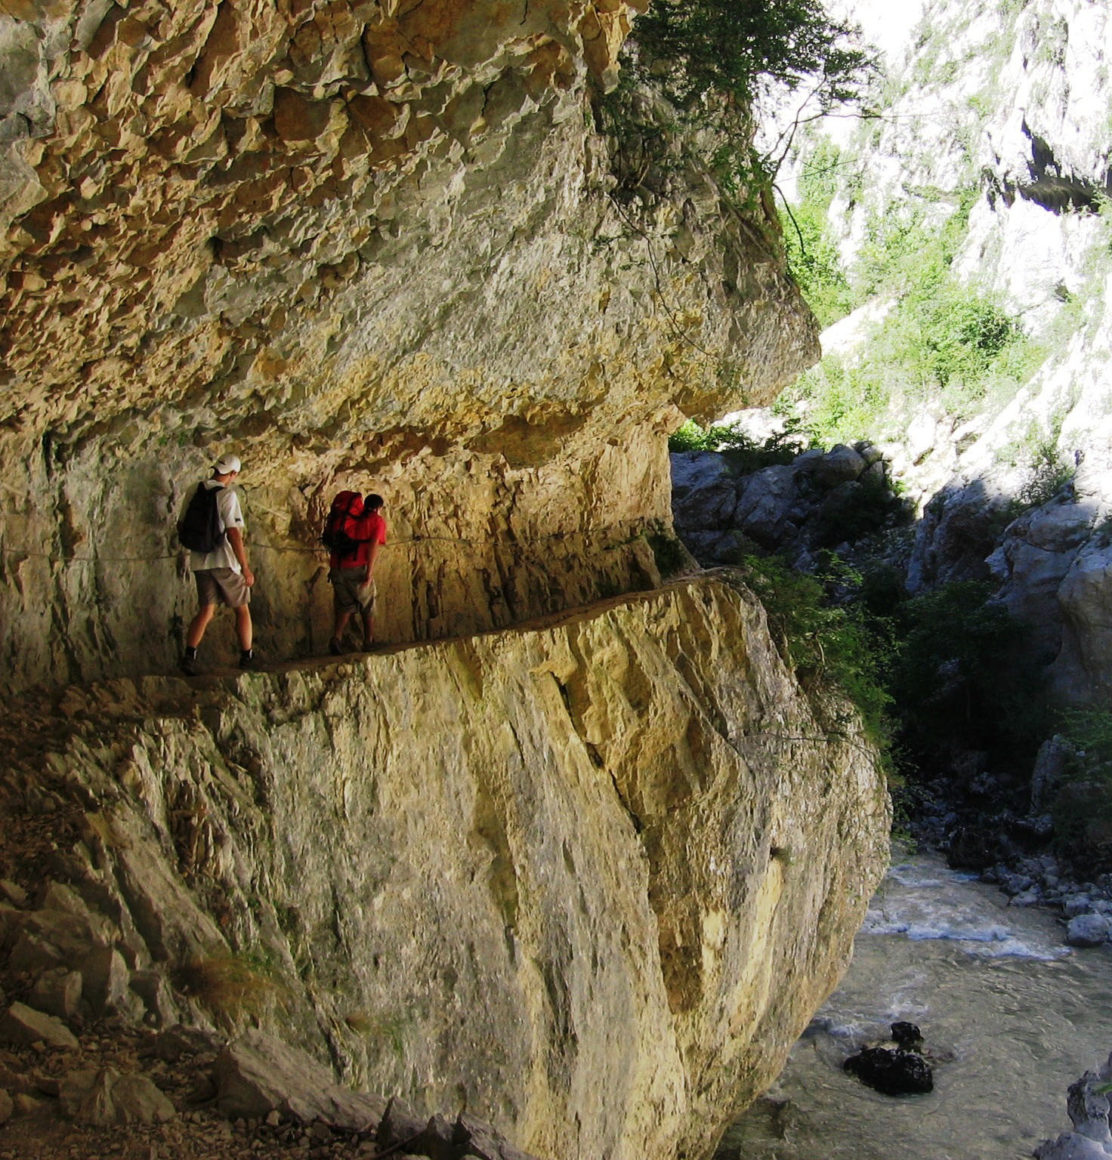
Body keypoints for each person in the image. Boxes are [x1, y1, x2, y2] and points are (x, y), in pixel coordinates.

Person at [180, 454, 255, 675]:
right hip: (224, 561)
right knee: (242, 609)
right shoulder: (227, 495)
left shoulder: (194, 489)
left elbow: (181, 525)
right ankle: (247, 656)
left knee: (206, 610)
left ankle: (189, 656)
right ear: (233, 474)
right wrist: (245, 567)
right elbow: (233, 533)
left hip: (199, 561)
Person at [327, 491, 387, 655]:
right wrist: (369, 573)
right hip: (357, 568)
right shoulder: (376, 521)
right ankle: (369, 641)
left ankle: (336, 638)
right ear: (378, 508)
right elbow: (373, 546)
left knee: (345, 605)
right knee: (367, 605)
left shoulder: (352, 520)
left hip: (336, 569)